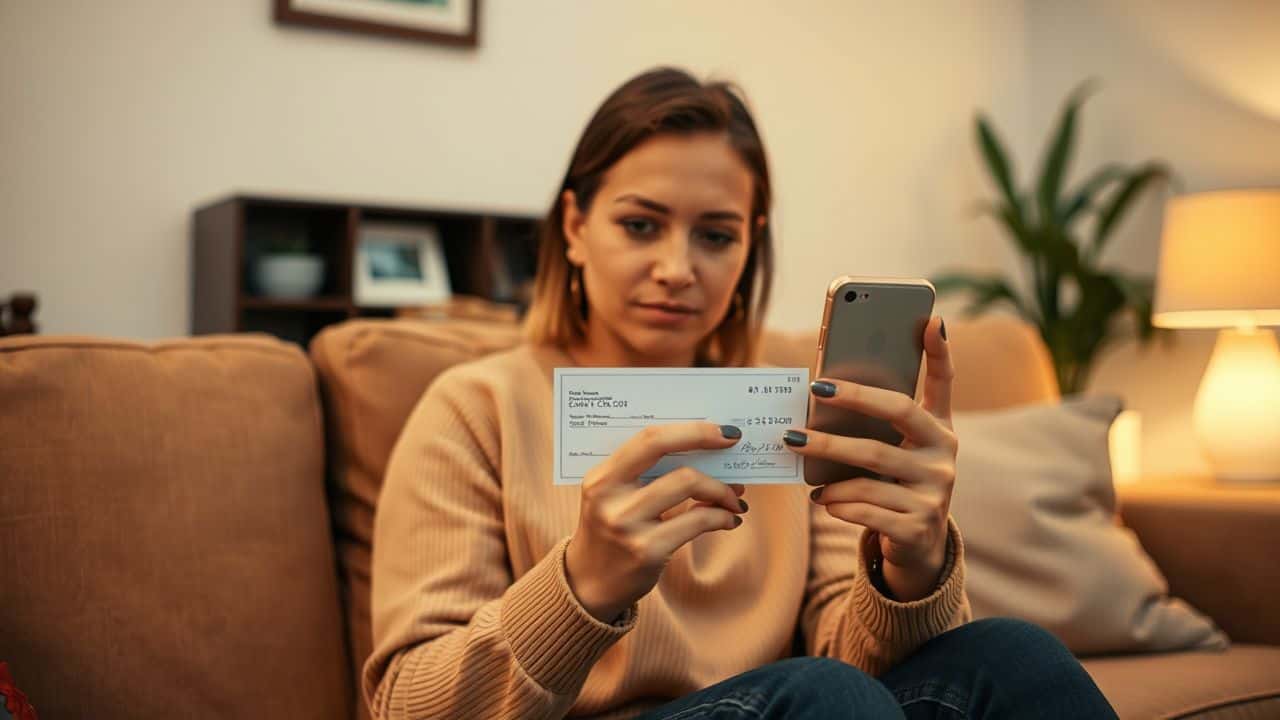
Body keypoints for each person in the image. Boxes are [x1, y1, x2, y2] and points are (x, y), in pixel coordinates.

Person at [362, 67, 1118, 719]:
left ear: (751, 245)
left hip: (807, 703)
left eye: (715, 236)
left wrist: (909, 568)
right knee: (823, 697)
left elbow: (858, 667)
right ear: (574, 226)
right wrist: (581, 587)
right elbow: (404, 703)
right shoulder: (474, 408)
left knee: (1014, 655)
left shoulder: (796, 407)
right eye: (639, 224)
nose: (677, 267)